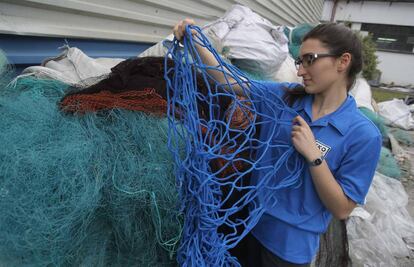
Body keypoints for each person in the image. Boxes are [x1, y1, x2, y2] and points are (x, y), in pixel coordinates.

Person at [173, 19, 382, 267]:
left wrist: (315, 156)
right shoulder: (284, 97)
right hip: (244, 229)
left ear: (343, 62)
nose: (301, 70)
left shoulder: (363, 134)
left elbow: (342, 209)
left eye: (310, 59)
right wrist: (194, 40)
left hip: (288, 252)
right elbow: (227, 80)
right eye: (299, 61)